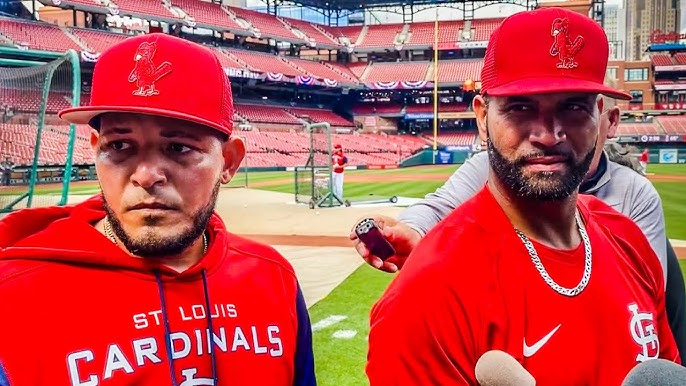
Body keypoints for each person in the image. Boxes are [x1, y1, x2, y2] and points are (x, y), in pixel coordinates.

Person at [365, 8, 679, 385]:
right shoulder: (425, 296)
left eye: (573, 106)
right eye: (520, 107)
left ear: (600, 115)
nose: (548, 134)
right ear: (482, 117)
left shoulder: (627, 239)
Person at [0, 34, 315, 385]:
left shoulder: (272, 278)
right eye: (119, 145)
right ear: (95, 150)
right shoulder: (12, 297)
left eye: (179, 147)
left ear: (228, 161)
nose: (146, 175)